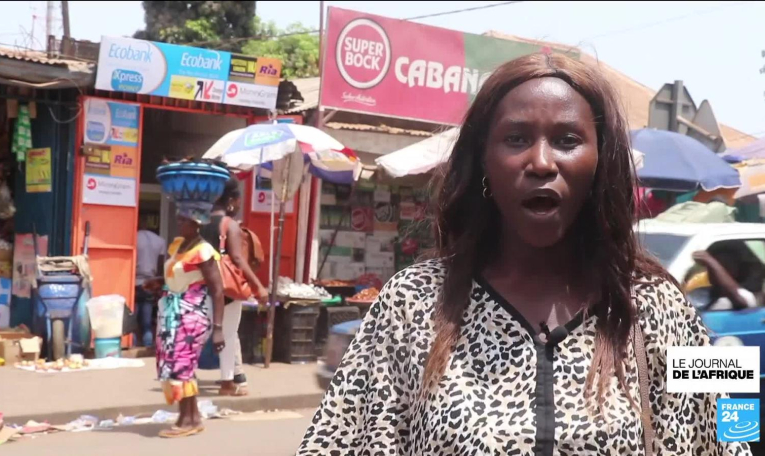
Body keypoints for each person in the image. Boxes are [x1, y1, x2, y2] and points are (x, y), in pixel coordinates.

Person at [298, 53, 751, 455]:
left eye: (567, 140)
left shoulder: (662, 305)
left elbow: (732, 436)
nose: (541, 162)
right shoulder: (412, 303)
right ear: (484, 162)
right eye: (516, 139)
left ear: (600, 163)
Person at [152, 202, 225, 438]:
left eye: (184, 220)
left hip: (191, 314)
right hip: (171, 313)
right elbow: (177, 278)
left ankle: (187, 420)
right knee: (179, 366)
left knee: (182, 365)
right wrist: (158, 283)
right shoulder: (178, 246)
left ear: (197, 224)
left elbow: (217, 290)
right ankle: (191, 418)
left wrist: (218, 329)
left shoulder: (203, 251)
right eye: (179, 219)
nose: (179, 223)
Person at [200, 177, 267, 396]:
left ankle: (188, 376)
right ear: (231, 201)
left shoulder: (201, 223)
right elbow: (238, 259)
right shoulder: (230, 225)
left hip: (203, 286)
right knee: (227, 335)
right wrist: (258, 286)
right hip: (226, 290)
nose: (239, 205)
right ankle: (227, 383)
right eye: (238, 201)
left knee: (207, 333)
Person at [135, 218, 166, 347]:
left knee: (132, 319)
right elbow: (160, 265)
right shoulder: (160, 241)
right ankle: (148, 345)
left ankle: (133, 344)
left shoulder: (133, 238)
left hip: (134, 282)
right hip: (150, 282)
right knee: (147, 319)